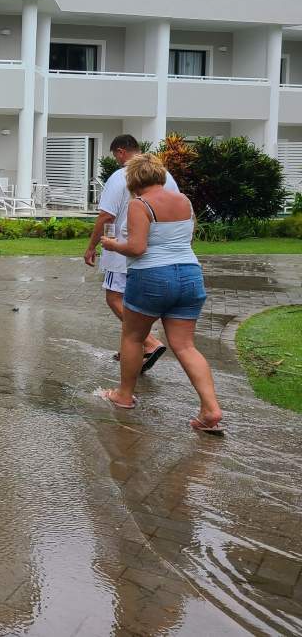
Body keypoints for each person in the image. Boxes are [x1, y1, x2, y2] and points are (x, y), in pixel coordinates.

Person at [99, 154, 222, 433]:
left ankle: (124, 396)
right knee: (186, 346)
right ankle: (210, 408)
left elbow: (137, 247)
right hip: (190, 275)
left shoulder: (140, 204)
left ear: (133, 179)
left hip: (152, 277)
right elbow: (186, 239)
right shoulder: (184, 201)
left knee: (133, 337)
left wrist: (112, 244)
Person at [85, 134, 178, 373]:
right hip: (158, 252)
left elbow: (107, 216)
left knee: (114, 298)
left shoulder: (121, 176)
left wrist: (91, 246)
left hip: (123, 250)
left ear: (120, 152)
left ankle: (149, 342)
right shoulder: (166, 176)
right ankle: (131, 348)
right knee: (136, 302)